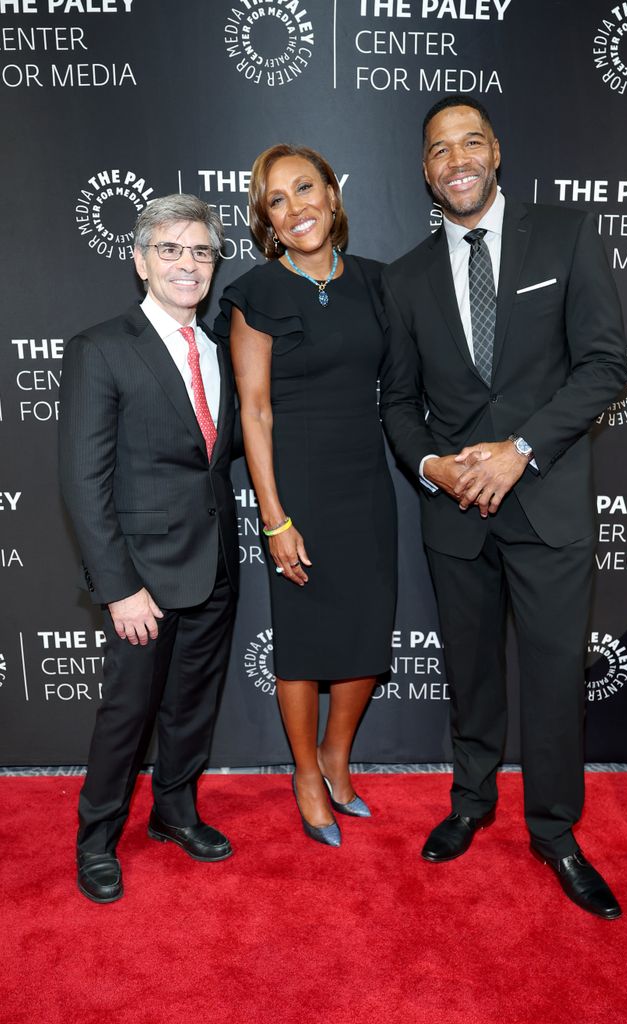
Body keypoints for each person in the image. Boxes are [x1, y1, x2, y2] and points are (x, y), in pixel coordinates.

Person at [380, 96, 627, 918]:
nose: (457, 159)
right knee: (471, 672)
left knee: (554, 678)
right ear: (426, 170)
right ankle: (471, 801)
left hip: (547, 501)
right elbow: (399, 403)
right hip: (455, 514)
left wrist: (520, 450)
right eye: (439, 149)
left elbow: (603, 367)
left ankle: (555, 831)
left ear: (496, 152)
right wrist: (433, 467)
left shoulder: (565, 235)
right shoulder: (405, 277)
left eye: (471, 142)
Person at [59, 194, 240, 903]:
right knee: (127, 715)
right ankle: (96, 840)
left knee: (192, 705)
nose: (186, 264)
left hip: (215, 563)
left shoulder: (220, 349)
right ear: (140, 261)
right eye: (169, 249)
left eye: (200, 251)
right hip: (143, 579)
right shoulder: (102, 348)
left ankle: (175, 812)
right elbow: (84, 481)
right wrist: (119, 588)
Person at [216, 144, 396, 847]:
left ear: (331, 193)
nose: (296, 208)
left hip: (366, 482)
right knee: (302, 639)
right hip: (297, 488)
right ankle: (303, 773)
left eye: (305, 188)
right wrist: (274, 517)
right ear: (266, 219)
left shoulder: (377, 282)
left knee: (366, 631)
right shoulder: (256, 293)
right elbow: (254, 411)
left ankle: (335, 757)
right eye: (277, 200)